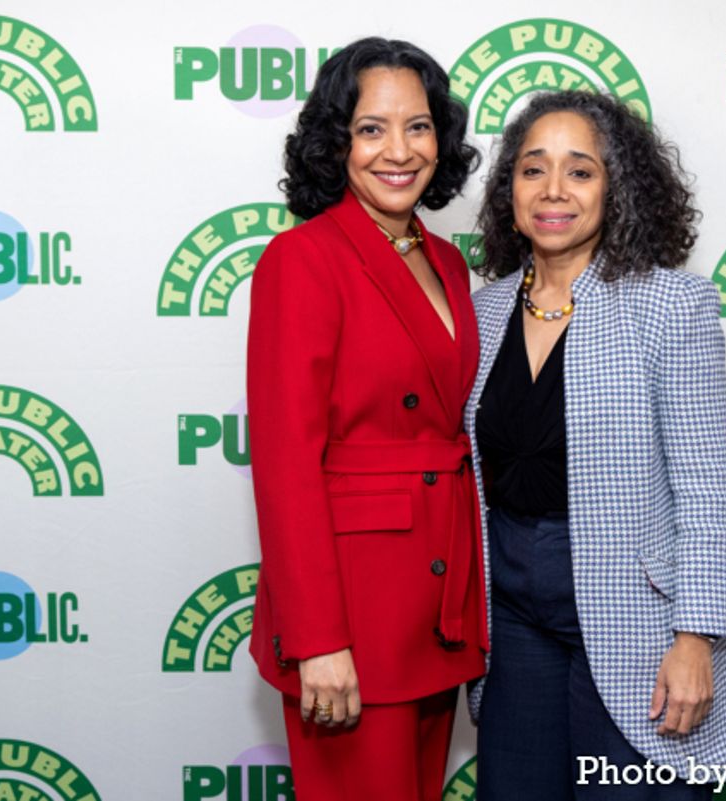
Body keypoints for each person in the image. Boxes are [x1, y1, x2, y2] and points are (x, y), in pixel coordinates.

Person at [465, 91, 726, 799]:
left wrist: (695, 639)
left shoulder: (669, 303)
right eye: (533, 169)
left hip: (634, 612)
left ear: (617, 186)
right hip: (510, 607)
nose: (554, 190)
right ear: (510, 189)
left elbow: (706, 486)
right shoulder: (483, 308)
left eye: (580, 170)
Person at [245, 37, 485, 801]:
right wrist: (319, 640)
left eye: (418, 126)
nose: (399, 150)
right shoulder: (302, 259)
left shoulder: (446, 261)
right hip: (353, 611)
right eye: (371, 128)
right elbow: (285, 463)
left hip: (436, 603)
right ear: (335, 141)